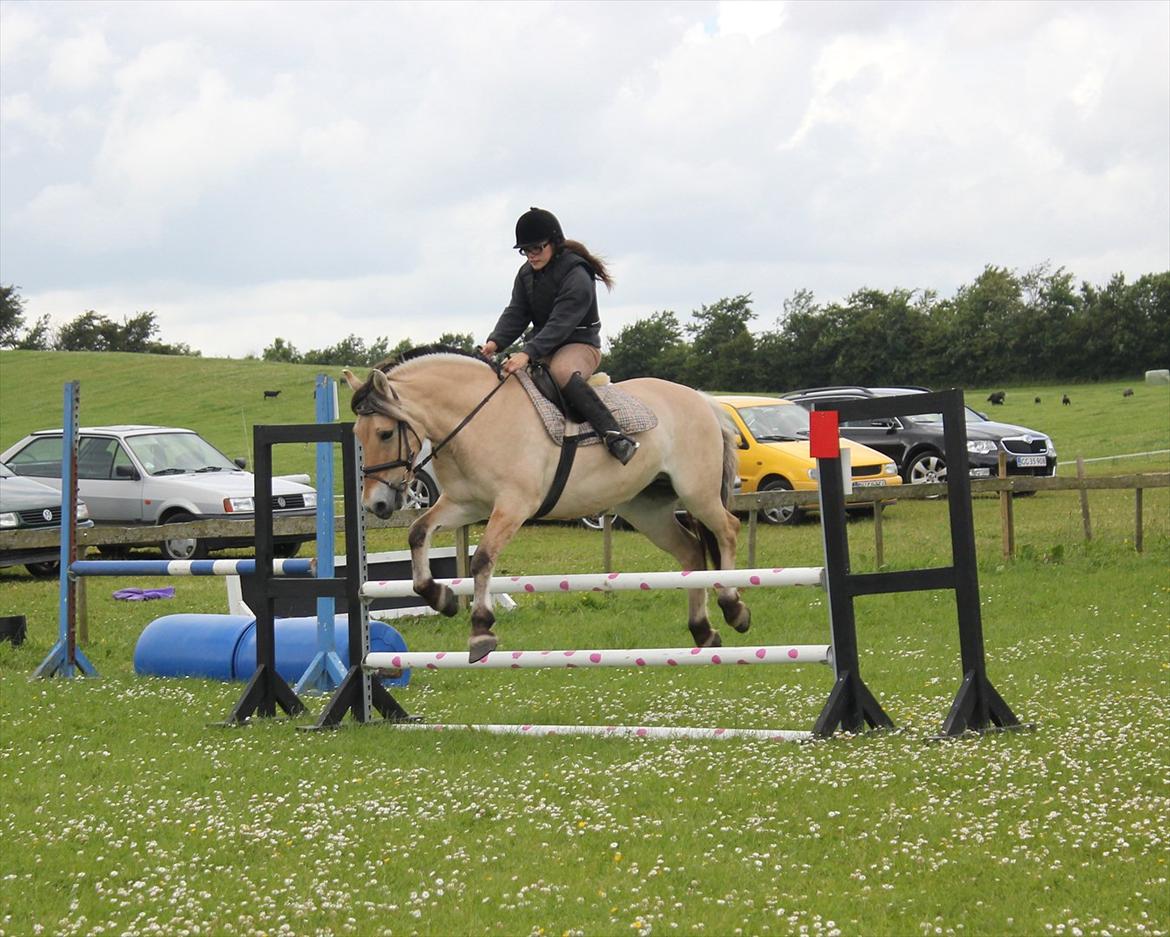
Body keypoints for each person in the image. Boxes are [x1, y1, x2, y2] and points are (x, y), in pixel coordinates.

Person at [479, 207, 639, 465]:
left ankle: (615, 436)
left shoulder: (576, 273)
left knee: (562, 371)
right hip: (545, 346)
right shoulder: (525, 274)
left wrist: (527, 353)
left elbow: (561, 323)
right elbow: (517, 312)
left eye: (537, 248)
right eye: (525, 250)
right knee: (508, 379)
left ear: (554, 242)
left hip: (579, 343)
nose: (531, 255)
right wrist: (494, 342)